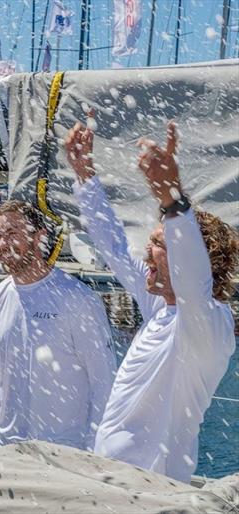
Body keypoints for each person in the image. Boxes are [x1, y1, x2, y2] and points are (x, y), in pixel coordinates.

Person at [65, 117, 238, 482]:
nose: (147, 249)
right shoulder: (160, 306)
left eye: (160, 243)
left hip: (150, 490)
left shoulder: (207, 326)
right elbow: (112, 244)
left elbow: (194, 285)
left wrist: (173, 202)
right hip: (108, 481)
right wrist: (85, 176)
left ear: (191, 256)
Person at [0, 200, 116, 460]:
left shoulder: (77, 298)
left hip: (63, 453)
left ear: (39, 236)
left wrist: (96, 455)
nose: (3, 245)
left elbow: (103, 382)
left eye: (13, 234)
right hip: (5, 450)